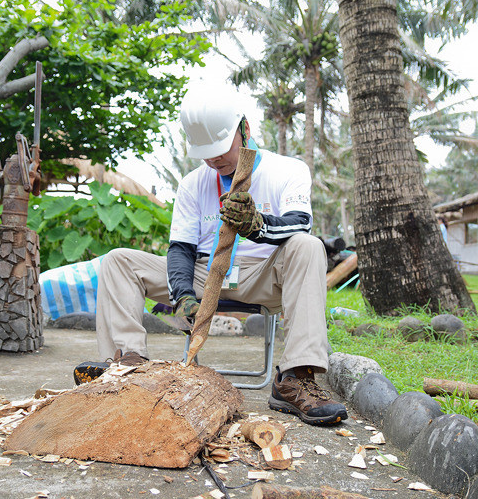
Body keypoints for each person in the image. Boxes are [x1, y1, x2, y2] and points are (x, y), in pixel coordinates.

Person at [75, 85, 348, 426]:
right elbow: (181, 249)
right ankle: (126, 365)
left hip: (265, 273)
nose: (215, 159)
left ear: (244, 130)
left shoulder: (288, 170)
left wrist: (257, 226)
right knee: (118, 260)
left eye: (221, 149)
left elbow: (299, 225)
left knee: (308, 245)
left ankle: (295, 377)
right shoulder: (193, 184)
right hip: (206, 274)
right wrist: (183, 294)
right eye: (206, 153)